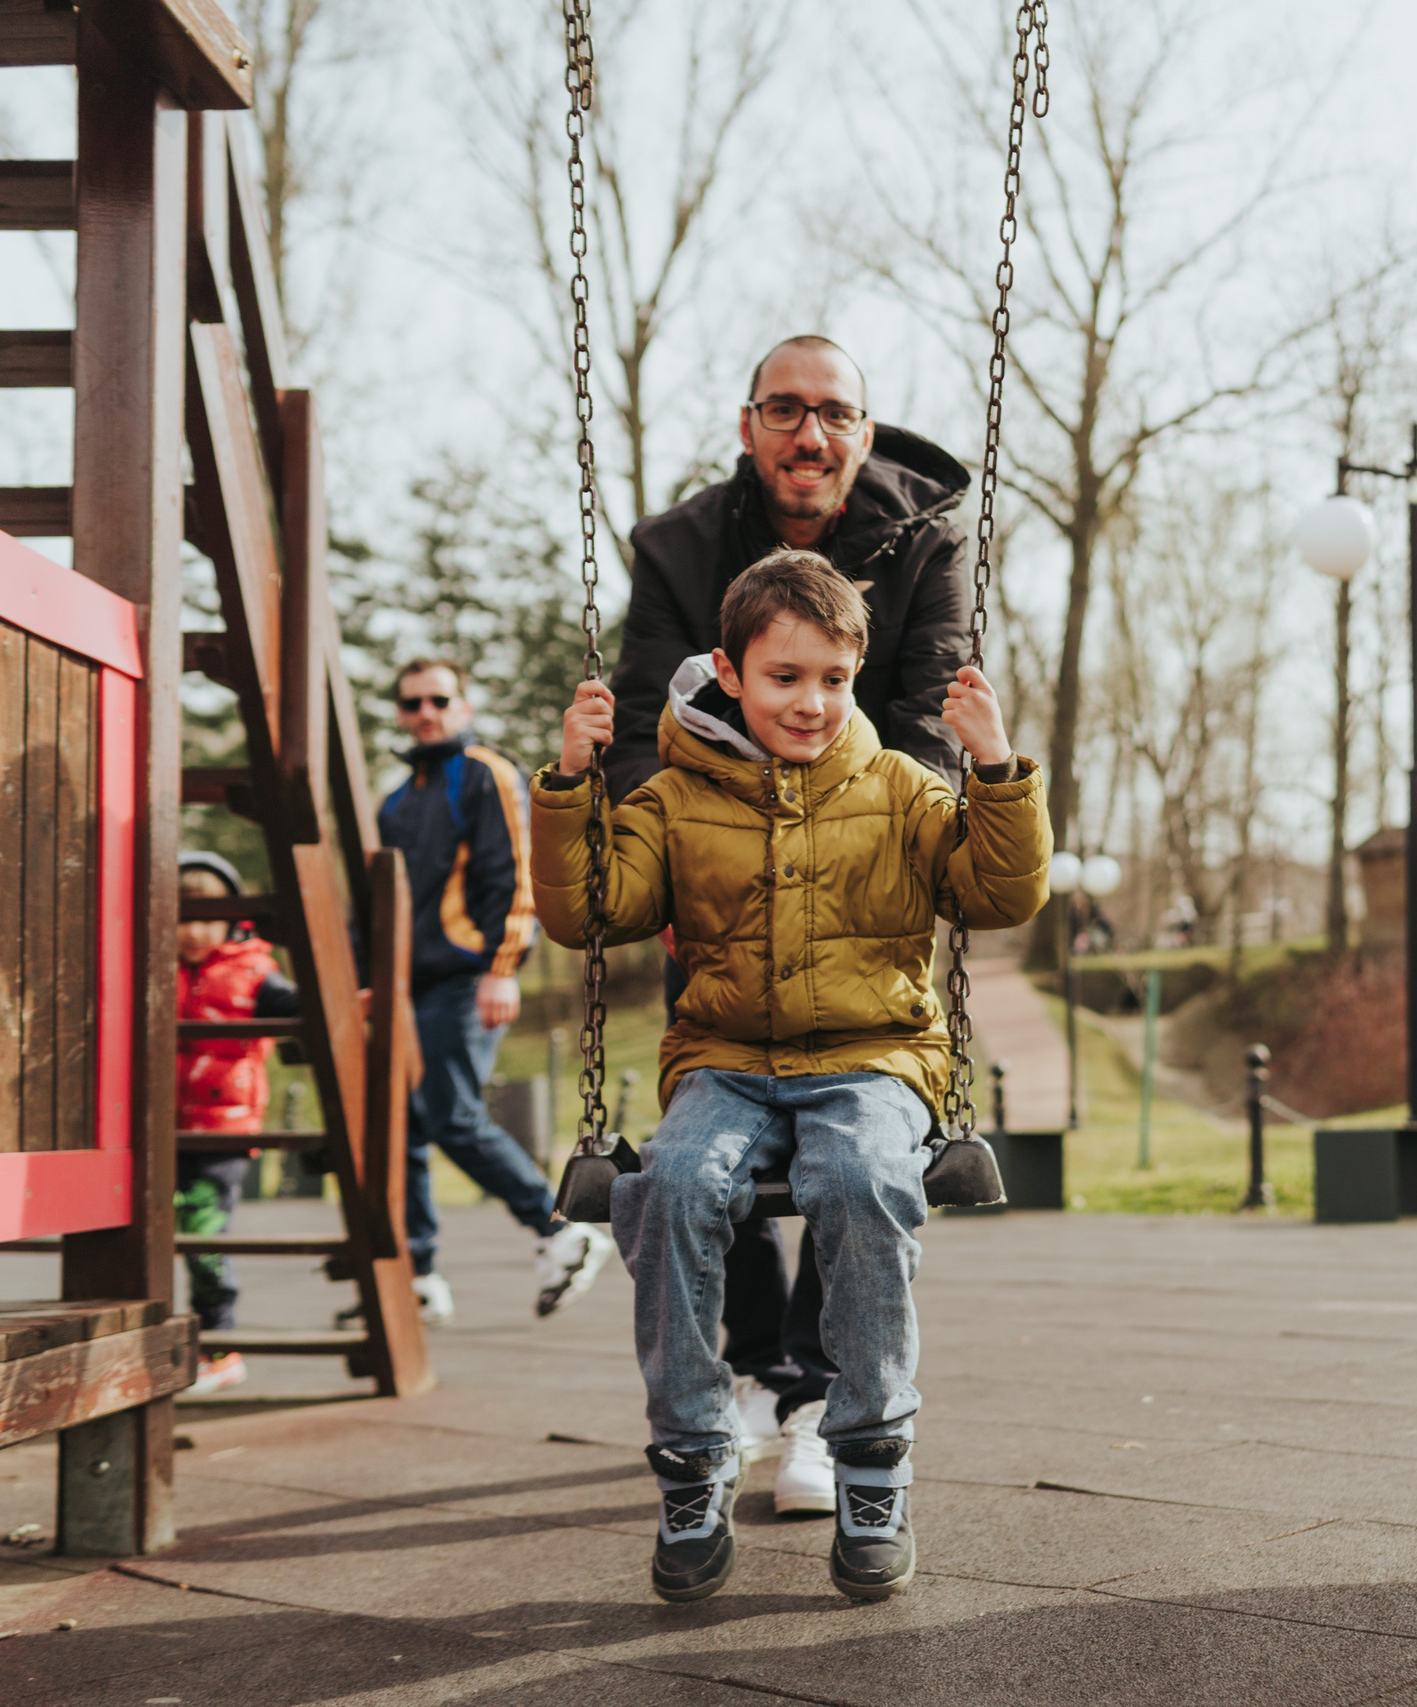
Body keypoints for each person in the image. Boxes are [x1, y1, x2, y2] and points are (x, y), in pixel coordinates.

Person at [535, 550, 1047, 1604]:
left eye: (833, 679)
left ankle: (870, 1464)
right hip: (724, 1059)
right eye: (783, 678)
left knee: (861, 1182)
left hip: (873, 1055)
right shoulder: (671, 798)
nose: (810, 703)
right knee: (670, 1187)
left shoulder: (903, 785)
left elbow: (997, 896)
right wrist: (570, 785)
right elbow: (588, 912)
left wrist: (993, 771)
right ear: (728, 670)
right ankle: (693, 1459)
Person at [607, 334, 974, 1514]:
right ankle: (765, 1366)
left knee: (850, 1137)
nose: (808, 436)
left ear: (864, 432)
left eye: (833, 415)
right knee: (707, 1144)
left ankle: (819, 1392)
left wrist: (876, 842)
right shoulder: (676, 549)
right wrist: (657, 860)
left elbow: (922, 712)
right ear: (748, 423)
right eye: (784, 411)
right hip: (716, 880)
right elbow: (637, 722)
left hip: (862, 857)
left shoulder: (925, 541)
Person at [380, 658, 615, 1324]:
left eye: (438, 699)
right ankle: (420, 1270)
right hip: (408, 987)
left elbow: (515, 873)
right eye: (411, 702)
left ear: (464, 704)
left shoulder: (484, 772)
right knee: (402, 1122)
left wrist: (503, 966)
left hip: (468, 976)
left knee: (448, 1111)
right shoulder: (396, 800)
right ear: (400, 712)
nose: (425, 711)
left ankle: (559, 1229)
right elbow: (385, 904)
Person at [176, 850, 300, 1395]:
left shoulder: (253, 969)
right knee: (160, 1241)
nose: (193, 931)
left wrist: (352, 1002)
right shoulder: (155, 964)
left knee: (203, 1238)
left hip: (221, 1133)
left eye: (206, 918)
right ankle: (186, 1344)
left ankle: (220, 1347)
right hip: (161, 1128)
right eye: (182, 918)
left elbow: (297, 1004)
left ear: (232, 921)